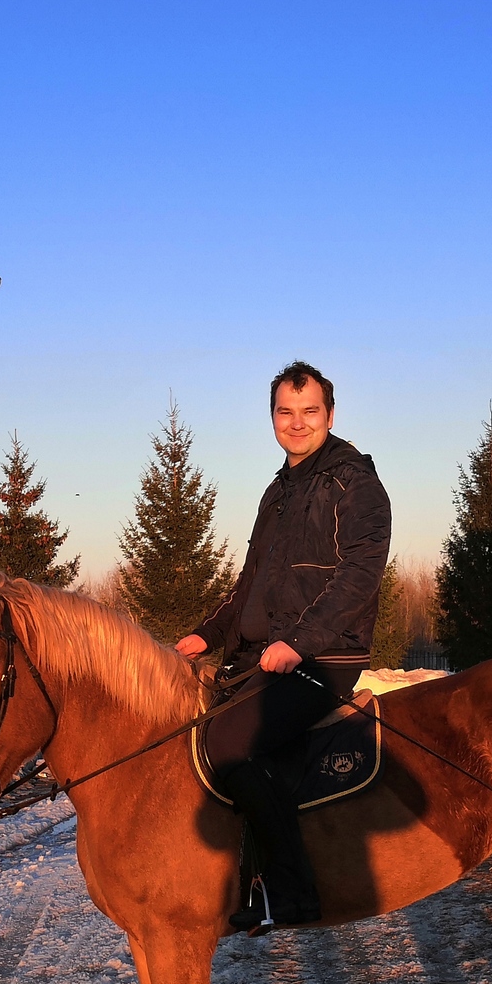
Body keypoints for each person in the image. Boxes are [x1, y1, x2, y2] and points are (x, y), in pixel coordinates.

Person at [175, 361, 392, 933]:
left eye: (309, 412)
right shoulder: (280, 489)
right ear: (273, 416)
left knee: (227, 745)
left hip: (323, 657)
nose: (296, 424)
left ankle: (290, 891)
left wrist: (299, 642)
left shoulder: (355, 483)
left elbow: (359, 576)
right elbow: (251, 583)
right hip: (260, 658)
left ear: (330, 415)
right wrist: (208, 633)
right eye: (285, 412)